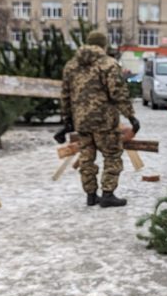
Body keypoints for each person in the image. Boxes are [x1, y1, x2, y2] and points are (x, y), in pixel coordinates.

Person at [60, 31, 140, 208]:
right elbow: (118, 93)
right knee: (112, 155)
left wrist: (67, 118)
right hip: (105, 121)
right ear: (103, 45)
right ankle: (108, 194)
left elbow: (65, 94)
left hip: (82, 121)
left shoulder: (71, 66)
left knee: (87, 158)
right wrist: (131, 116)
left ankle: (90, 195)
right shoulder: (109, 64)